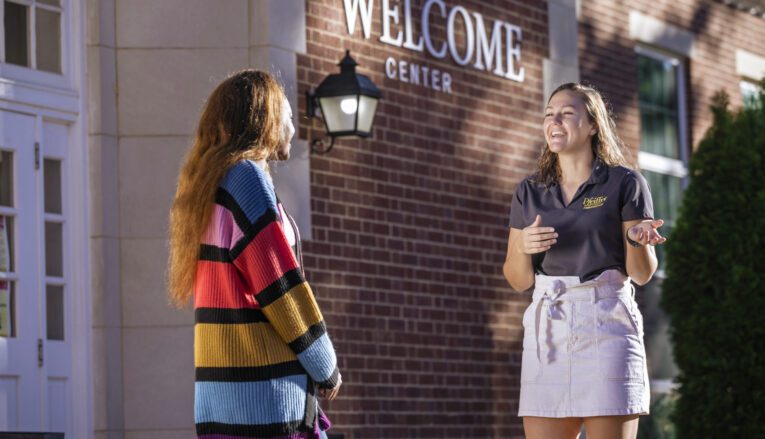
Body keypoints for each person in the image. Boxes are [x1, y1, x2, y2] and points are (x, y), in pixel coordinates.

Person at [168, 70, 341, 439]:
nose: (294, 121)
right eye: (287, 112)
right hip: (268, 403)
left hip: (223, 402)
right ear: (264, 119)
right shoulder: (246, 179)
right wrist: (325, 363)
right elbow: (280, 285)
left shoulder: (210, 186)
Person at [503, 82, 666, 439]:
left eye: (566, 114)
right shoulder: (529, 191)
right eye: (549, 115)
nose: (554, 121)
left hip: (607, 324)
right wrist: (522, 249)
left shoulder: (625, 183)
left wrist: (636, 241)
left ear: (593, 125)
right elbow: (518, 280)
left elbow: (641, 274)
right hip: (549, 328)